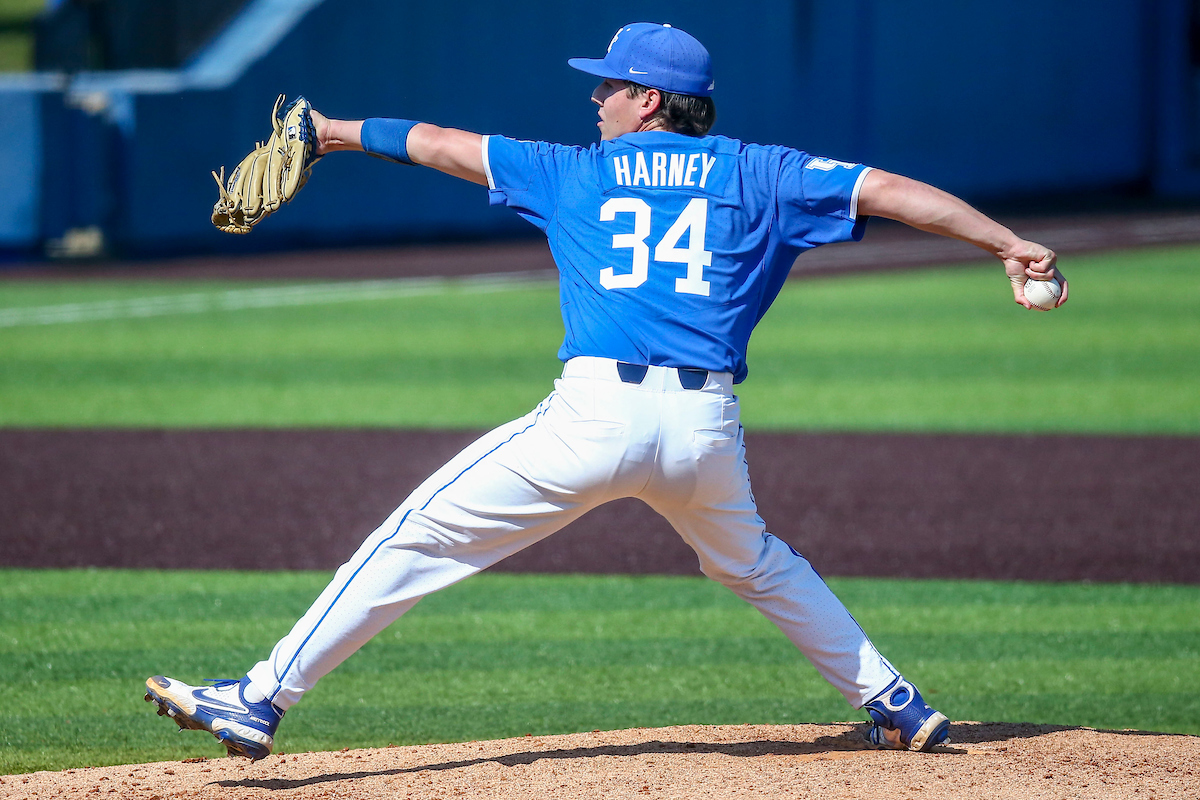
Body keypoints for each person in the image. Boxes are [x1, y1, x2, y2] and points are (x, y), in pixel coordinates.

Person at [144, 22, 1066, 760]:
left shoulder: (572, 170)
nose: (595, 98)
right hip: (706, 434)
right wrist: (1005, 244)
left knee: (416, 538)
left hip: (592, 421)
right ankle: (896, 703)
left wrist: (338, 133)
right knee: (755, 564)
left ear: (651, 100)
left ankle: (260, 700)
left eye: (611, 85)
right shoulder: (765, 173)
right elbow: (894, 190)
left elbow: (442, 146)